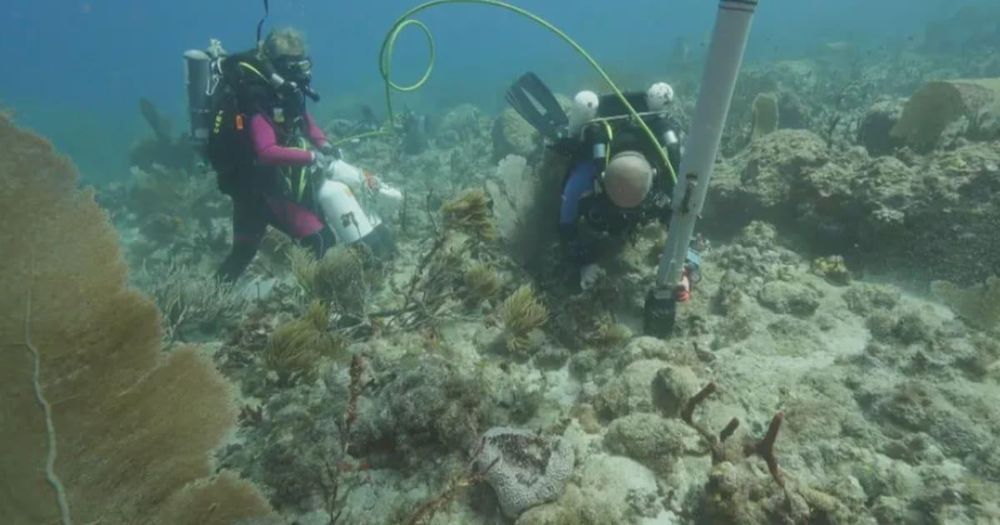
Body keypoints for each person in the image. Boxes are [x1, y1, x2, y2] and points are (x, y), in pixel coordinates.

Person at [506, 74, 684, 290]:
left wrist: (685, 267)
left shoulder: (666, 180)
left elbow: (687, 224)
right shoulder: (587, 173)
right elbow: (566, 221)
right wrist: (583, 263)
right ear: (602, 182)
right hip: (599, 156)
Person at [205, 28, 338, 282]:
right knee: (321, 240)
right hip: (258, 188)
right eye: (293, 65)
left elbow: (305, 120)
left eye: (303, 63)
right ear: (276, 65)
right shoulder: (256, 94)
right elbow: (266, 152)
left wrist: (325, 145)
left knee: (242, 253)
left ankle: (205, 302)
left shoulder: (285, 90)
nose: (300, 71)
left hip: (251, 186)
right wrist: (311, 157)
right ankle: (319, 302)